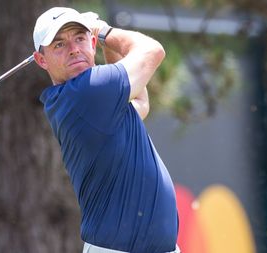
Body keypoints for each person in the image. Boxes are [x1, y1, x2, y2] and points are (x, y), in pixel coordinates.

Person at [33, 7, 180, 253]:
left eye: (80, 38)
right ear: (41, 60)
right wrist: (104, 31)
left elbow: (140, 104)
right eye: (59, 44)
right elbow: (153, 51)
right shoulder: (85, 93)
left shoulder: (96, 99)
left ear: (90, 43)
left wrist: (104, 44)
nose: (73, 49)